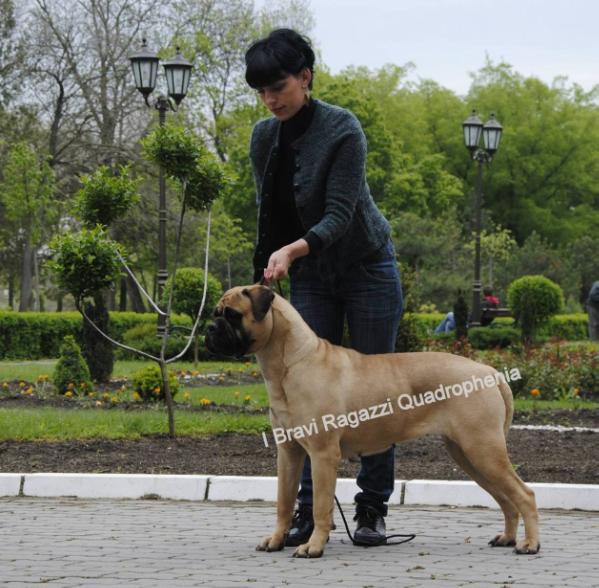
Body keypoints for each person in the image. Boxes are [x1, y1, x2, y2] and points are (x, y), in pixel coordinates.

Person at [245, 28, 403, 546]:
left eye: (279, 86)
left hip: (366, 268)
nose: (271, 99)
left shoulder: (343, 130)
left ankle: (372, 509)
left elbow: (340, 214)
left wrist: (292, 250)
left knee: (376, 395)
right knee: (304, 395)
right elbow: (270, 215)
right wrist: (264, 272)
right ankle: (309, 519)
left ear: (305, 77)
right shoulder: (263, 137)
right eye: (262, 90)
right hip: (311, 277)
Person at [434, 287, 499, 333]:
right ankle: (441, 337)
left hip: (468, 324)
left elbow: (473, 317)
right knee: (449, 324)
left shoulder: (483, 303)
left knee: (449, 314)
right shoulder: (494, 303)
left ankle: (436, 334)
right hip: (481, 324)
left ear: (484, 293)